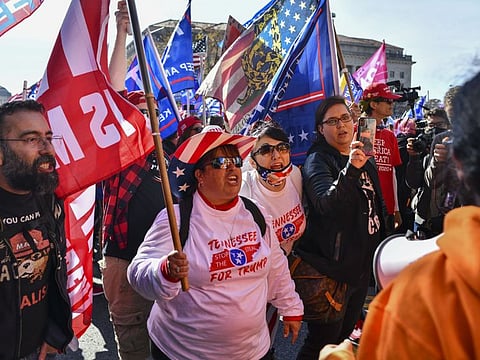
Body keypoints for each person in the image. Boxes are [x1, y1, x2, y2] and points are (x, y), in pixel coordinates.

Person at [322, 70, 480, 360]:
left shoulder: (416, 292)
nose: (392, 106)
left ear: (460, 161)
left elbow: (394, 177)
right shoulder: (359, 136)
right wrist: (423, 159)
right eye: (386, 100)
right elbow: (415, 178)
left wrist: (391, 208)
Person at [127, 127, 304, 360]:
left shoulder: (255, 213)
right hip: (183, 352)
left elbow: (276, 264)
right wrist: (164, 271)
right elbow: (137, 272)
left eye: (235, 161)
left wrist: (291, 307)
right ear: (199, 175)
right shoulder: (177, 218)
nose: (232, 167)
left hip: (251, 351)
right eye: (220, 162)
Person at [100, 3, 173, 358]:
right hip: (125, 261)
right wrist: (122, 34)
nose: (147, 119)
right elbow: (111, 98)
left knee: (169, 344)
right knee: (134, 348)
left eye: (152, 113)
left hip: (167, 263)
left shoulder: (171, 156)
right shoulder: (120, 153)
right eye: (139, 113)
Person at [294, 96, 386, 359]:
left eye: (345, 118)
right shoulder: (318, 159)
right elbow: (325, 205)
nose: (341, 126)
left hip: (360, 270)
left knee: (345, 341)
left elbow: (374, 207)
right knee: (321, 344)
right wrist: (350, 170)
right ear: (320, 129)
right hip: (332, 271)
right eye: (332, 121)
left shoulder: (364, 158)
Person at [0, 100, 74, 359]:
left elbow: (56, 272)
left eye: (49, 137)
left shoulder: (49, 200)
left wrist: (55, 334)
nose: (47, 149)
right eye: (32, 139)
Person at [240, 122, 306, 351]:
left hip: (284, 274)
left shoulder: (295, 175)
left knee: (270, 339)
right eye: (266, 150)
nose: (276, 155)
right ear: (252, 160)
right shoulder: (245, 188)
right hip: (253, 283)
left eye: (282, 147)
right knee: (252, 345)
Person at [360, 83, 403, 234]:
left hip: (387, 208)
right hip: (366, 209)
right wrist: (364, 126)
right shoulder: (361, 130)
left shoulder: (390, 135)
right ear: (373, 104)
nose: (392, 104)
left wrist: (396, 208)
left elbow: (392, 174)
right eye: (388, 101)